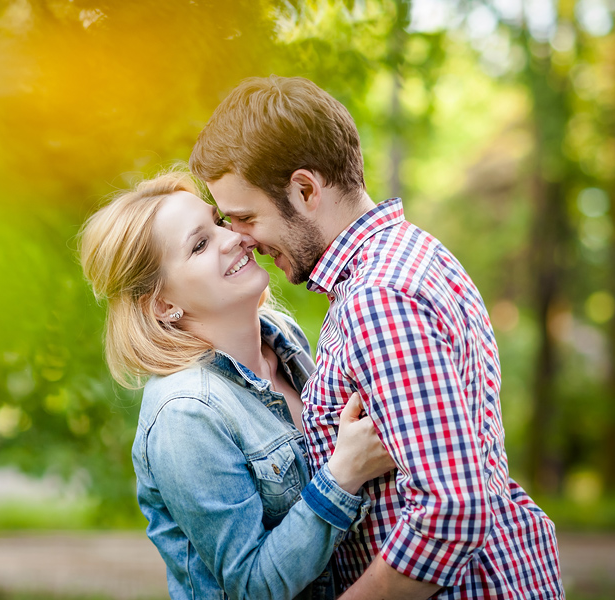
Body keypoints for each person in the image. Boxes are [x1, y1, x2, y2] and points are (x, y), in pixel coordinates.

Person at [189, 75, 564, 599]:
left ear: (304, 189)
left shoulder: (378, 296)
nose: (242, 239)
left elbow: (452, 509)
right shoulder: (407, 256)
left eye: (247, 216)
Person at [79, 171, 395, 600]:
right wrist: (345, 474)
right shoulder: (185, 414)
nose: (233, 239)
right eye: (199, 245)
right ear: (163, 304)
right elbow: (251, 585)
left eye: (219, 222)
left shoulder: (283, 339)